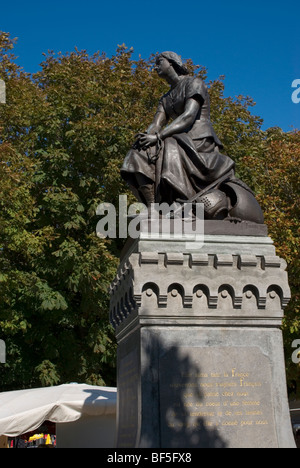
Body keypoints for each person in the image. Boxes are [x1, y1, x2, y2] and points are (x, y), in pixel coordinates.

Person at [121, 52, 264, 223]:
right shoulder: (165, 99)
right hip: (176, 137)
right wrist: (146, 137)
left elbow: (189, 116)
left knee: (170, 143)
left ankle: (180, 201)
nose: (155, 66)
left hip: (200, 139)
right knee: (138, 151)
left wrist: (158, 136)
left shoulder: (194, 83)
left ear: (173, 63)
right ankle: (153, 208)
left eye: (159, 62)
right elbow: (156, 124)